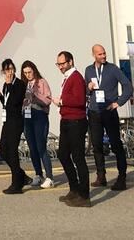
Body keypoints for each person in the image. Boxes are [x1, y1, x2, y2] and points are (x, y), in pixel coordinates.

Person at [85, 43, 133, 190]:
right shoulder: (88, 70)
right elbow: (87, 91)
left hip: (109, 111)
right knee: (97, 145)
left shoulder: (113, 69)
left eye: (104, 53)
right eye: (100, 54)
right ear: (94, 55)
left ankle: (122, 177)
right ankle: (101, 176)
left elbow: (128, 86)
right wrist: (88, 88)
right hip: (94, 112)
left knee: (115, 143)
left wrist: (118, 103)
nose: (103, 56)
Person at [53, 50, 91, 207]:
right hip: (67, 120)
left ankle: (84, 195)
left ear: (70, 62)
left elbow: (79, 100)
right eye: (58, 64)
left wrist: (61, 101)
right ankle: (74, 188)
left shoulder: (76, 77)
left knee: (78, 158)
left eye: (62, 63)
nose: (60, 67)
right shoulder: (68, 78)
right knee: (62, 154)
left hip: (76, 121)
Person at [0, 58, 29, 193]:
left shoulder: (19, 84)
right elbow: (6, 104)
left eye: (12, 69)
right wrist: (0, 96)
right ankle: (21, 175)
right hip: (7, 121)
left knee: (12, 151)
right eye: (7, 70)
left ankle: (16, 184)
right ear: (3, 72)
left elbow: (15, 103)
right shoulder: (5, 85)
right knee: (3, 150)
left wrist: (10, 86)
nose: (10, 72)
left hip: (16, 122)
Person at [21, 60, 55, 189]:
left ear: (34, 70)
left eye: (29, 72)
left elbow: (48, 100)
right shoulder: (24, 84)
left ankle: (50, 177)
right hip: (27, 116)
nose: (28, 75)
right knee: (32, 147)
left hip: (39, 115)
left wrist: (35, 97)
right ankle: (38, 174)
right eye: (25, 73)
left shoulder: (41, 82)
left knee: (41, 146)